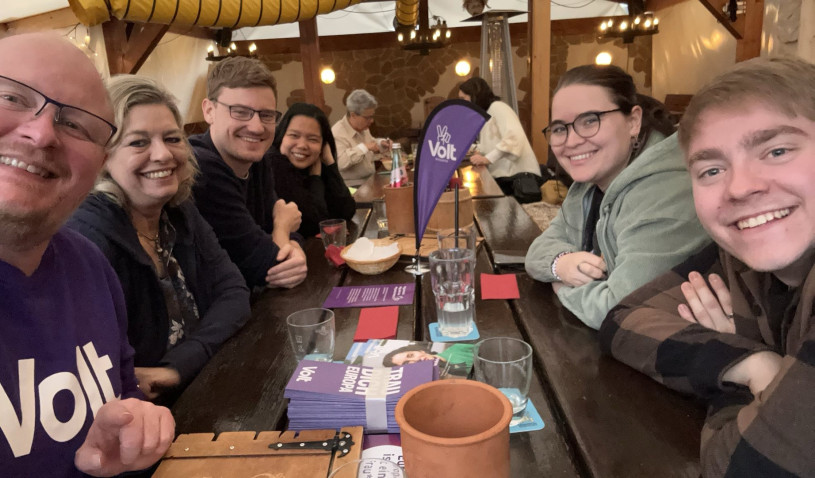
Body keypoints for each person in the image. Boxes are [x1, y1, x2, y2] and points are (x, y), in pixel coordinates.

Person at [600, 57, 815, 477]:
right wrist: (755, 365)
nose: (740, 187)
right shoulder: (733, 259)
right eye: (712, 169)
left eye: (777, 150)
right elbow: (622, 322)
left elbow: (742, 467)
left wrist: (746, 387)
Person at [0, 33, 173, 476]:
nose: (41, 133)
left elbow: (123, 393)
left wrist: (137, 427)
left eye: (76, 124)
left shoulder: (87, 263)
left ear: (98, 163)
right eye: (11, 97)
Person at [67, 75, 251, 405]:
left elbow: (234, 293)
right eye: (139, 142)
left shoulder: (179, 211)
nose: (162, 154)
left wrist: (177, 368)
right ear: (103, 155)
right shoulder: (88, 238)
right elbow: (100, 371)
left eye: (172, 138)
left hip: (198, 386)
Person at [524, 64, 710, 329]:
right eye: (559, 128)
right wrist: (560, 263)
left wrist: (560, 285)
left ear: (633, 121)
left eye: (590, 121)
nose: (572, 140)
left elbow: (619, 309)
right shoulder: (589, 183)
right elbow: (537, 251)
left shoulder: (665, 193)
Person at [190, 57, 307, 289]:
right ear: (209, 110)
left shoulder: (257, 161)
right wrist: (283, 227)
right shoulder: (200, 167)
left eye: (266, 115)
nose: (257, 127)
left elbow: (288, 240)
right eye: (241, 112)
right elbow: (267, 265)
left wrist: (285, 238)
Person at [270, 103, 356, 236]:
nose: (302, 145)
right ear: (282, 135)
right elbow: (314, 223)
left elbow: (346, 211)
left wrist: (330, 164)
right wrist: (315, 179)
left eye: (313, 139)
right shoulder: (274, 165)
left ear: (323, 145)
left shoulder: (316, 164)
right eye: (294, 135)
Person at [457, 77, 542, 200]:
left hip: (519, 179)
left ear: (474, 96)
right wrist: (466, 148)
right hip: (508, 179)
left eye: (464, 99)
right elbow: (490, 145)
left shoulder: (498, 107)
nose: (463, 104)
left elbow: (514, 138)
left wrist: (486, 159)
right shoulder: (488, 114)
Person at [331, 89, 391, 186]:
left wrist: (382, 143)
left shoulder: (363, 128)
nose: (371, 121)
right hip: (351, 187)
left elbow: (371, 143)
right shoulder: (337, 133)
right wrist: (364, 147)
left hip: (370, 181)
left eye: (372, 116)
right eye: (368, 117)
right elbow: (341, 162)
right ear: (353, 115)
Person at [382, 343, 473, 379]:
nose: (415, 360)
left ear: (421, 351)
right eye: (407, 363)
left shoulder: (457, 348)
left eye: (411, 355)